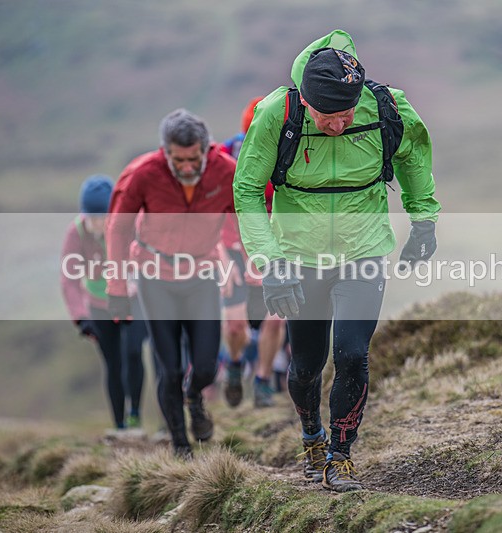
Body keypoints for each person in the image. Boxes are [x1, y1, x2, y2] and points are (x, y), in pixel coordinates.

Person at [233, 30, 440, 492]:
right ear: (305, 102)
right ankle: (311, 434)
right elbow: (246, 190)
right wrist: (270, 262)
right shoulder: (275, 114)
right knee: (306, 365)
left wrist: (424, 220)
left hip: (363, 249)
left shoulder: (386, 106)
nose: (339, 126)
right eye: (328, 117)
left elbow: (414, 154)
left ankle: (340, 455)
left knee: (352, 354)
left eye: (347, 114)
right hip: (299, 256)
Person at [105, 109, 236, 458]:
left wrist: (254, 264)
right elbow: (118, 228)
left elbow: (243, 219)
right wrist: (117, 288)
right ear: (166, 152)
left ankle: (194, 398)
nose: (188, 167)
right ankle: (180, 444)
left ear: (205, 150)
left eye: (194, 159)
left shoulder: (226, 172)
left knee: (206, 365)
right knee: (169, 368)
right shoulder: (145, 173)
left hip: (201, 275)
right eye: (179, 160)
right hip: (154, 278)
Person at [60, 175, 149, 431]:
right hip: (99, 305)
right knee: (113, 362)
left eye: (104, 216)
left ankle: (135, 413)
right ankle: (119, 423)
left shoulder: (130, 223)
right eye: (93, 218)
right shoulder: (76, 232)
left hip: (133, 300)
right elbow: (69, 277)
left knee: (133, 352)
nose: (98, 223)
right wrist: (80, 317)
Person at [219, 96, 287, 409]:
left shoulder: (289, 154)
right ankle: (233, 364)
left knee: (276, 321)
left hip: (273, 248)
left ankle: (261, 383)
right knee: (236, 327)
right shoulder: (224, 157)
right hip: (232, 247)